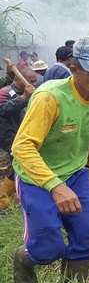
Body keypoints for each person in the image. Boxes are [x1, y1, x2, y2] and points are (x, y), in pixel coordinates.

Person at [10, 38, 89, 283]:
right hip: (37, 179)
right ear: (75, 69)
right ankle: (23, 259)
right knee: (48, 249)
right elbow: (21, 147)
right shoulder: (50, 98)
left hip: (77, 174)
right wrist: (56, 186)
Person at [0, 67, 37, 210]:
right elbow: (3, 111)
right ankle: (3, 201)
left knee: (18, 165)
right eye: (31, 81)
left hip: (20, 134)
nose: (34, 84)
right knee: (20, 163)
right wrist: (23, 98)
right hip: (7, 135)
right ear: (20, 80)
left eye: (35, 81)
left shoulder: (26, 92)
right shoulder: (5, 92)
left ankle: (5, 200)